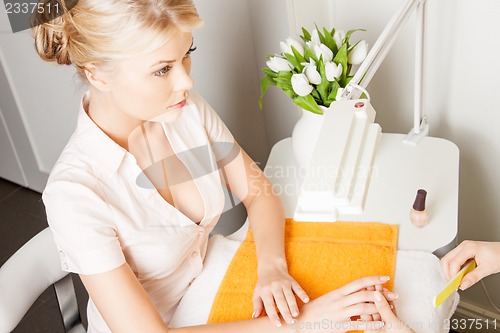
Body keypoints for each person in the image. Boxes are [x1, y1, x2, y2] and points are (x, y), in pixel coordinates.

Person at [33, 1, 396, 332]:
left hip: (212, 285)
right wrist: (301, 320)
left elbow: (259, 192)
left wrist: (272, 267)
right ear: (98, 75)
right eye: (162, 70)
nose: (186, 81)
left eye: (186, 54)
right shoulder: (75, 192)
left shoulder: (184, 110)